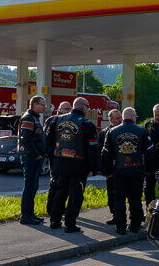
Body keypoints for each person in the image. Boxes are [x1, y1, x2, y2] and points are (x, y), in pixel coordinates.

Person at [45, 97, 98, 232]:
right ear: (84, 106)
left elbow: (49, 143)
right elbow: (92, 149)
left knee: (59, 193)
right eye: (88, 107)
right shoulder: (87, 124)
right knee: (75, 196)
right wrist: (92, 168)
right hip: (78, 165)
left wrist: (52, 161)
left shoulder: (56, 120)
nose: (88, 109)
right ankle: (70, 224)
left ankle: (55, 220)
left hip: (59, 162)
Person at [101, 107, 151, 235]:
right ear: (133, 117)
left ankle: (120, 228)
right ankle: (134, 226)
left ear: (123, 117)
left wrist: (108, 171)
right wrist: (147, 169)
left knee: (119, 200)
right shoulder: (142, 131)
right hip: (136, 171)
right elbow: (150, 152)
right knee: (135, 199)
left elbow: (105, 153)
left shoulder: (112, 131)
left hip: (119, 171)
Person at [18, 96, 47, 225]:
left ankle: (30, 214)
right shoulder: (28, 118)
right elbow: (25, 139)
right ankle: (25, 216)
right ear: (34, 105)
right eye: (42, 104)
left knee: (33, 186)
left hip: (34, 157)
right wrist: (36, 154)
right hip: (30, 157)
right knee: (29, 187)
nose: (45, 107)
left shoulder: (34, 118)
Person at [98, 108, 123, 225]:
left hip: (124, 167)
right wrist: (105, 170)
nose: (120, 120)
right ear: (110, 119)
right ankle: (114, 214)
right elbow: (100, 153)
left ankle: (124, 215)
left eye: (120, 117)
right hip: (111, 169)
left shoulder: (124, 130)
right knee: (111, 193)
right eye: (117, 118)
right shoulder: (103, 133)